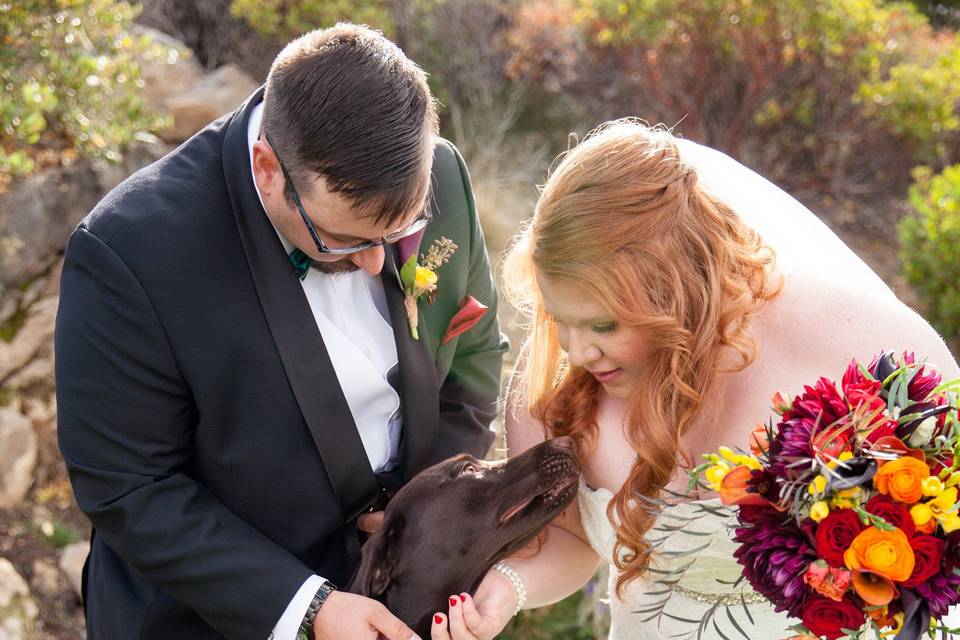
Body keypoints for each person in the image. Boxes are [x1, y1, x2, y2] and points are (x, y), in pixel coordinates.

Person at [55, 23, 507, 640]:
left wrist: (420, 513)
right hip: (210, 616)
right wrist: (309, 608)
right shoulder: (127, 254)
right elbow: (130, 488)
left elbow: (474, 357)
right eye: (345, 240)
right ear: (267, 168)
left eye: (398, 235)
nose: (379, 264)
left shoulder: (442, 173)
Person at [428, 120, 960, 640]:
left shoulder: (835, 345)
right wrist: (509, 587)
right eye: (559, 317)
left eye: (603, 324)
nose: (577, 349)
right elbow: (570, 538)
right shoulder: (559, 385)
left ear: (677, 295)